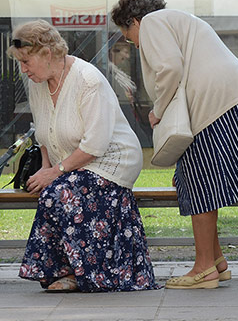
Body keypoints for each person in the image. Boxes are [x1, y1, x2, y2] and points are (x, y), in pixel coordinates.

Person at [110, 0, 238, 290]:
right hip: (232, 96)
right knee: (194, 179)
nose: (134, 44)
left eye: (128, 36)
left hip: (215, 102)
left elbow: (169, 68)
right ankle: (216, 261)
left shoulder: (152, 23)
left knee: (199, 183)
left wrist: (158, 110)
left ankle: (204, 268)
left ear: (134, 21)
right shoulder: (180, 20)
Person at [8, 20, 157, 293]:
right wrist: (45, 171)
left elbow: (95, 145)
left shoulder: (87, 79)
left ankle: (80, 273)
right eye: (20, 62)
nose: (23, 69)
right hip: (72, 165)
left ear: (47, 53)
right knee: (52, 191)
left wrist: (55, 173)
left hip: (111, 161)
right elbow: (44, 135)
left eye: (26, 61)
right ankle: (62, 271)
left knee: (62, 193)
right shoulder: (38, 84)